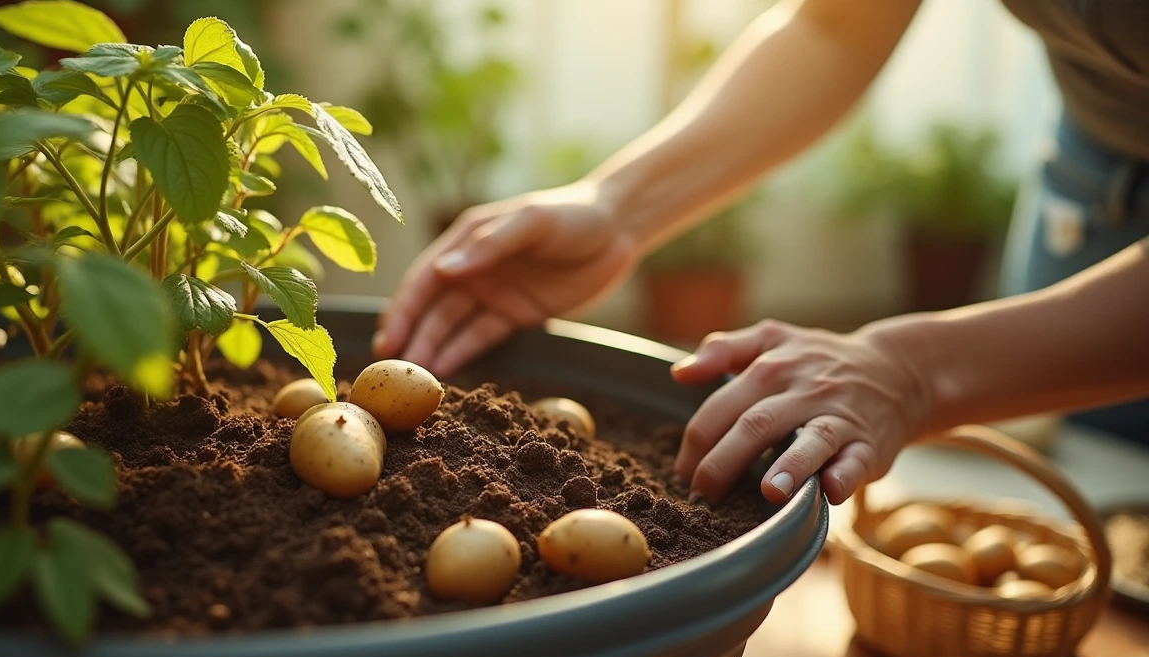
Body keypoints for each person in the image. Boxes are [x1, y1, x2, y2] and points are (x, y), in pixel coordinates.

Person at [372, 0, 1149, 505]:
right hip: (1096, 172)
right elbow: (839, 24)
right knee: (1098, 507)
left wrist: (917, 371)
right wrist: (618, 205)